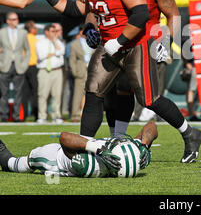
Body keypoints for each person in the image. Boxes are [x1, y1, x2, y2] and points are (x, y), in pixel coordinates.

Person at [30, 0, 201, 163]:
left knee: (149, 99)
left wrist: (162, 40)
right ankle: (85, 149)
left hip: (136, 43)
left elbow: (143, 13)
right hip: (110, 42)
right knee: (94, 91)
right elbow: (79, 9)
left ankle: (190, 133)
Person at [0, 120, 157, 177]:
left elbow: (64, 138)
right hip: (79, 145)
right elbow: (151, 125)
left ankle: (4, 156)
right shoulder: (128, 156)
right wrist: (143, 144)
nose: (118, 142)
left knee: (14, 164)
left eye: (118, 145)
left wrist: (99, 150)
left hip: (57, 157)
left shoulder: (92, 166)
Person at [0, 12, 31, 122]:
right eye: (13, 19)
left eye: (16, 19)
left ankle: (17, 117)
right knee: (4, 93)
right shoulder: (2, 32)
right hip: (4, 65)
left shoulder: (23, 32)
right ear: (8, 21)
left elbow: (28, 50)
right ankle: (3, 116)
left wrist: (24, 64)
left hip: (19, 66)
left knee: (18, 93)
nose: (15, 21)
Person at [35, 24, 65, 124]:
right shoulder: (40, 43)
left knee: (57, 95)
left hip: (57, 71)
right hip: (44, 71)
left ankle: (56, 116)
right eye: (53, 31)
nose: (55, 33)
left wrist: (54, 42)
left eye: (56, 31)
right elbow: (41, 55)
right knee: (43, 95)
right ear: (46, 32)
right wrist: (55, 53)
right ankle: (42, 116)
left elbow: (61, 51)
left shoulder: (58, 42)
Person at [69, 24, 93, 122]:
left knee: (91, 94)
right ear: (80, 32)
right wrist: (75, 72)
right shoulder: (74, 44)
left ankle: (90, 115)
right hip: (81, 70)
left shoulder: (93, 41)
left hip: (92, 71)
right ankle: (75, 115)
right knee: (78, 94)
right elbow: (72, 59)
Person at [23, 20, 39, 120]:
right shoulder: (35, 40)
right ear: (31, 29)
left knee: (24, 92)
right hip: (33, 67)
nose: (36, 30)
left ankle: (23, 115)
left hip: (23, 67)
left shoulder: (23, 39)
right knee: (35, 92)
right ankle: (35, 114)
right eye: (35, 28)